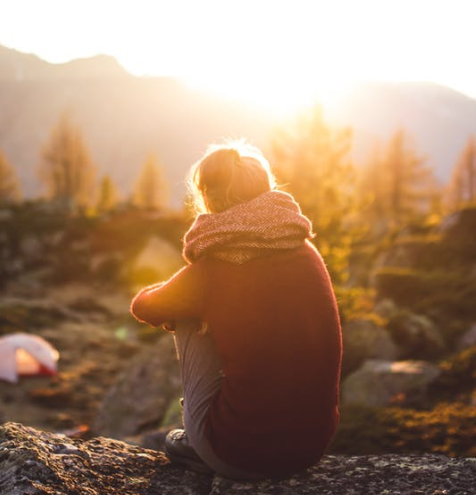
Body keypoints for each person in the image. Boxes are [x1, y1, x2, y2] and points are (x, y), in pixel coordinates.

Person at [129, 140, 342, 480]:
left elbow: (145, 307)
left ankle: (199, 436)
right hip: (310, 449)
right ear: (265, 189)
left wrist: (190, 295)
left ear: (209, 198)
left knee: (185, 312)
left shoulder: (215, 266)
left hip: (237, 455)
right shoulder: (305, 250)